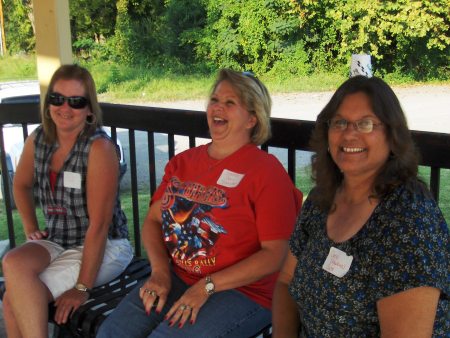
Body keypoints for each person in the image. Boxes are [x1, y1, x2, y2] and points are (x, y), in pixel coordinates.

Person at [97, 69, 303, 337]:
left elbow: (276, 254)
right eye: (215, 100)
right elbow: (153, 220)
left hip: (245, 291)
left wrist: (207, 285)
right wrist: (160, 273)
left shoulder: (266, 172)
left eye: (230, 103)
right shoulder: (183, 163)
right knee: (112, 332)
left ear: (252, 118)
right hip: (179, 277)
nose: (218, 107)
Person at [272, 75, 449, 337]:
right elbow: (286, 282)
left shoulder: (410, 221)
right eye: (340, 122)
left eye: (366, 124)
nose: (349, 133)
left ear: (391, 136)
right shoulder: (322, 199)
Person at [1, 64, 133, 338]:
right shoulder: (38, 139)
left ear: (89, 109)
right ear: (48, 102)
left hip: (104, 245)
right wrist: (30, 227)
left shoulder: (99, 148)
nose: (65, 107)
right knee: (13, 262)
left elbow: (99, 225)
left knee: (14, 301)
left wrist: (82, 288)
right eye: (57, 98)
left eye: (76, 101)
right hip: (58, 238)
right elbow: (21, 184)